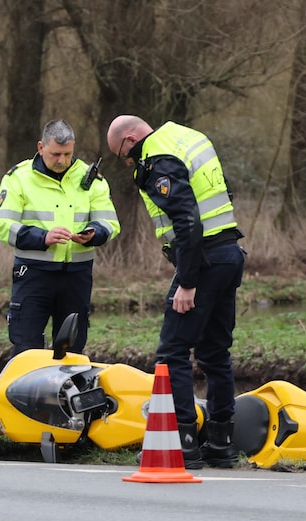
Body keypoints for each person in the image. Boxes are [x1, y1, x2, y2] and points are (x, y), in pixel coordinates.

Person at [106, 115, 245, 469]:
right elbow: (223, 192)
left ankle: (183, 443)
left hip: (205, 260)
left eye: (124, 155)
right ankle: (221, 443)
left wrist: (187, 281)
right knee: (215, 352)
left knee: (171, 352)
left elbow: (185, 220)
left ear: (131, 138)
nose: (128, 163)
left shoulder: (157, 158)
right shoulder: (187, 137)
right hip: (229, 252)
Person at [0, 119, 120, 357]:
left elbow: (110, 223)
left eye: (67, 154)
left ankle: (67, 395)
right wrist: (43, 237)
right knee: (26, 349)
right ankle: (25, 395)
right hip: (33, 273)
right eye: (55, 154)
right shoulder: (17, 178)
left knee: (72, 350)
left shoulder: (91, 179)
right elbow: (2, 225)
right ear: (41, 148)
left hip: (76, 276)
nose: (62, 160)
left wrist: (93, 234)